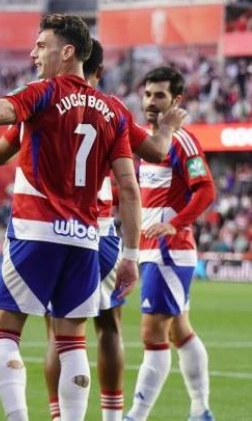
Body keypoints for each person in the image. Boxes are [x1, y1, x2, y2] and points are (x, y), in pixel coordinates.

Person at [0, 14, 142, 421]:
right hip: (86, 238)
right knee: (73, 340)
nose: (34, 53)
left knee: (4, 332)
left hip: (36, 229)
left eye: (41, 45)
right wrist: (131, 255)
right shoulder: (114, 110)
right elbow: (128, 186)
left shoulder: (42, 93)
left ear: (67, 51)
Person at [0, 38, 186, 421]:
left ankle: (56, 414)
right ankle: (112, 417)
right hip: (101, 232)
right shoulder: (112, 111)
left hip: (48, 226)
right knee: (107, 327)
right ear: (98, 72)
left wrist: (20, 127)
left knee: (55, 332)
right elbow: (148, 161)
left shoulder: (44, 104)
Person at [124, 67, 217, 421]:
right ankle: (200, 410)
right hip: (150, 251)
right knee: (179, 330)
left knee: (152, 332)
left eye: (159, 95)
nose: (150, 102)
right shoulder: (148, 143)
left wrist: (175, 224)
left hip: (168, 252)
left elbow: (205, 189)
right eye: (147, 94)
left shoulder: (182, 140)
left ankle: (136, 415)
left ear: (177, 101)